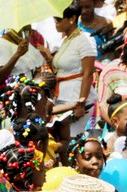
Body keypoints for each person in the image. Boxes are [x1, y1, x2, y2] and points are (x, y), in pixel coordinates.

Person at [45, 3, 97, 137]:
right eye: (54, 20)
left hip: (77, 97)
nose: (56, 23)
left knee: (72, 139)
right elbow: (61, 70)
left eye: (59, 19)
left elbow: (88, 73)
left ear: (72, 19)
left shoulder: (85, 39)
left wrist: (81, 103)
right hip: (62, 97)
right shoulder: (65, 40)